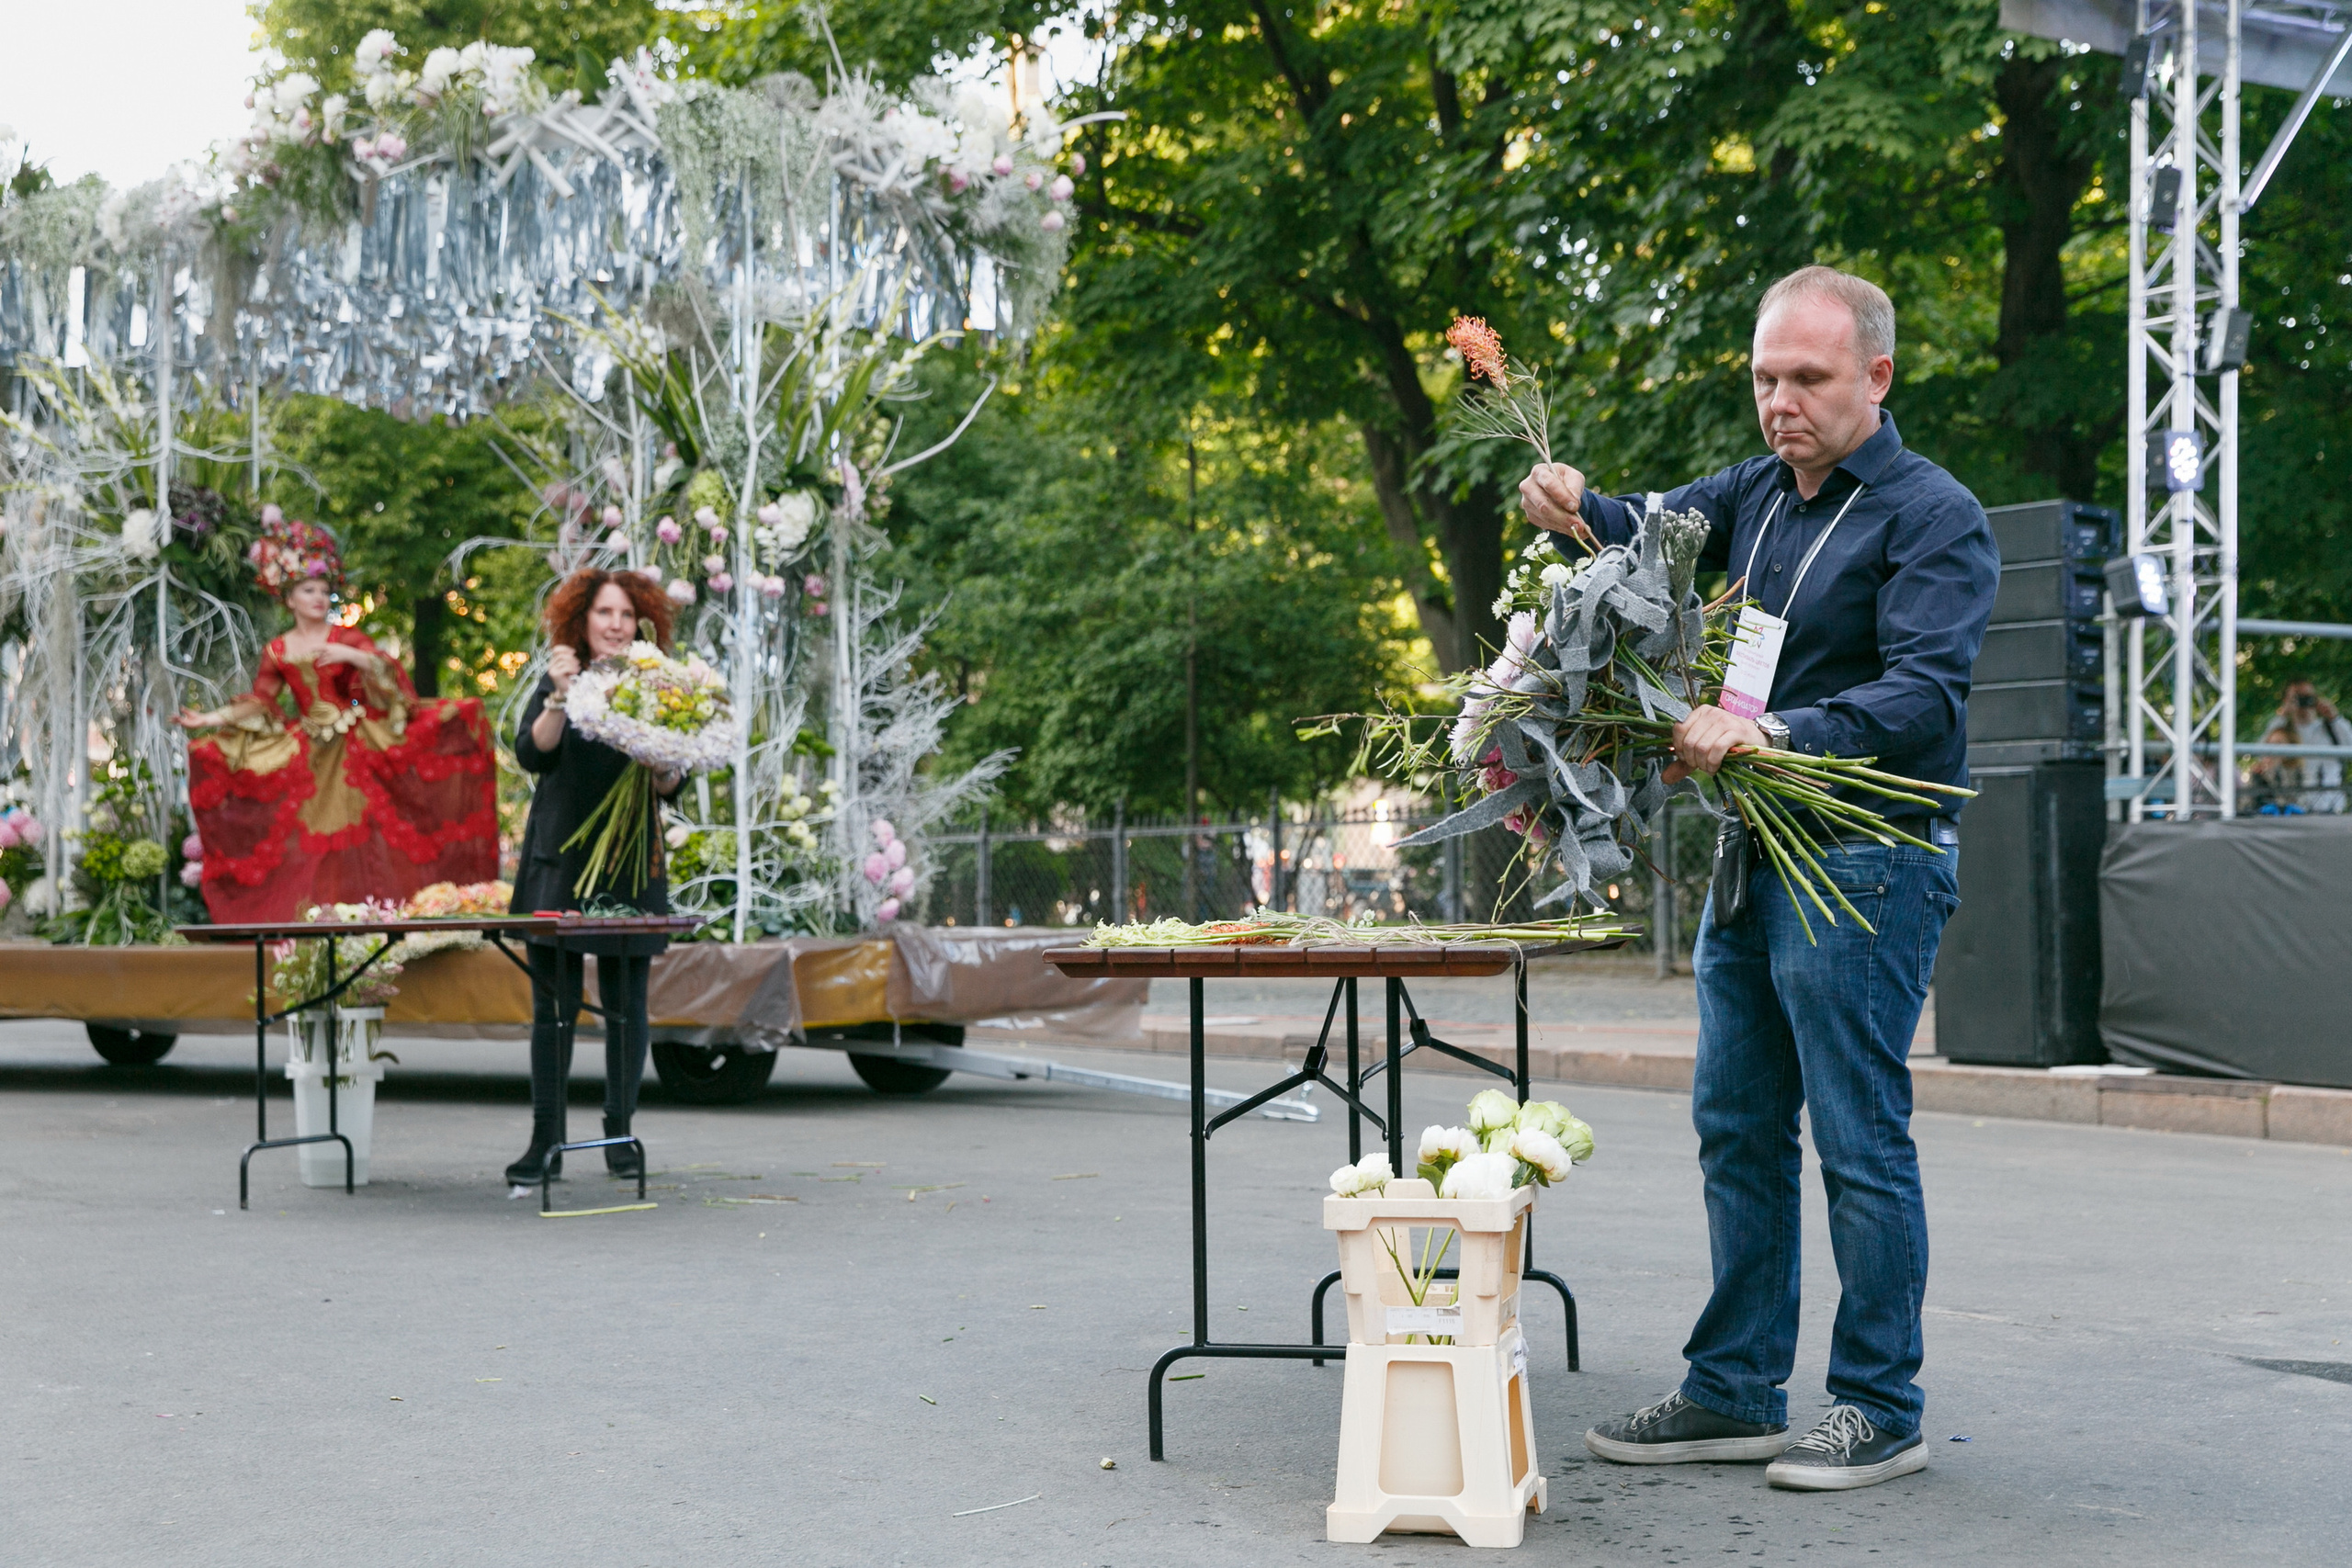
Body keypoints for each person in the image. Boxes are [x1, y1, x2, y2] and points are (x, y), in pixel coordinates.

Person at [1519, 266, 1998, 1492]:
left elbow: (1925, 691)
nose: (1781, 403)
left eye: (1809, 379)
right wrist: (1578, 505)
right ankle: (1734, 1387)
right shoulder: (1756, 496)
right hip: (1756, 851)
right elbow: (1647, 528)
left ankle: (1878, 1403)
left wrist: (1778, 732)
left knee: (1855, 1134)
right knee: (1735, 1124)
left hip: (1870, 861)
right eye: (1765, 379)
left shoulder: (1934, 515)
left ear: (1878, 378)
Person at [176, 510, 497, 920]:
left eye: (322, 590)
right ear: (289, 597)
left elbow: (384, 676)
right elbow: (262, 702)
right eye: (308, 589)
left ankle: (375, 917)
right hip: (308, 747)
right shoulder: (277, 649)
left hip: (355, 742)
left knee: (367, 832)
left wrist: (351, 656)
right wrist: (212, 719)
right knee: (311, 840)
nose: (317, 597)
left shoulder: (345, 636)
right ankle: (318, 921)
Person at [503, 568, 684, 1187]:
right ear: (581, 620)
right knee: (552, 1009)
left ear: (642, 624)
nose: (615, 624)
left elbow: (672, 782)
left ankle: (619, 1132)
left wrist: (658, 750)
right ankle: (544, 1139)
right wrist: (558, 695)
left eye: (627, 615)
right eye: (605, 613)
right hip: (559, 859)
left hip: (630, 861)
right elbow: (533, 751)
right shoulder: (562, 680)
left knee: (627, 1007)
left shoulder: (658, 685)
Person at [2253, 680, 2349, 813]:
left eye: (2308, 696)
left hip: (2330, 806)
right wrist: (2282, 714)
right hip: (2293, 809)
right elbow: (2261, 754)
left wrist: (2334, 717)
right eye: (2297, 698)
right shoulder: (2283, 730)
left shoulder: (2330, 728)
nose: (2303, 702)